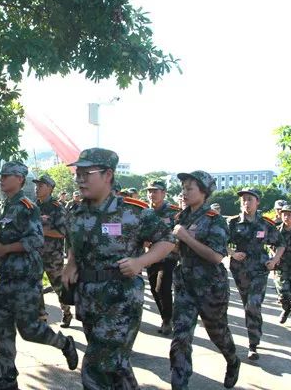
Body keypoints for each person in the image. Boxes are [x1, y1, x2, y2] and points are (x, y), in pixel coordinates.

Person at [62, 148, 175, 390]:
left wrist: (140, 262)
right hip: (88, 299)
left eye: (86, 173)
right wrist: (70, 263)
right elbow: (73, 241)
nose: (80, 178)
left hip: (121, 300)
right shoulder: (77, 212)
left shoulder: (133, 211)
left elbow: (167, 240)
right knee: (116, 366)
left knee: (95, 366)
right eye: (77, 173)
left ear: (107, 175)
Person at [0, 161, 78, 390]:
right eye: (1, 176)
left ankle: (65, 343)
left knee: (29, 330)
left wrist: (5, 249)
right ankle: (8, 379)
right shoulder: (7, 204)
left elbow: (36, 240)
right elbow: (7, 232)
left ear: (19, 179)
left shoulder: (28, 207)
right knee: (1, 327)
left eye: (7, 176)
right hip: (6, 275)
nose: (2, 179)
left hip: (25, 277)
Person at [169, 170, 240, 390]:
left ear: (204, 192)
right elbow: (176, 249)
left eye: (189, 188)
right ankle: (179, 384)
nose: (184, 192)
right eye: (183, 188)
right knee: (180, 339)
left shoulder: (215, 220)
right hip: (184, 286)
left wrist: (185, 237)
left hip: (210, 287)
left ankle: (233, 360)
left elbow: (216, 256)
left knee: (217, 333)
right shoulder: (181, 217)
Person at [228, 188, 286, 360]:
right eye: (243, 199)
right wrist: (232, 253)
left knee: (253, 304)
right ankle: (253, 339)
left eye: (249, 199)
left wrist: (275, 260)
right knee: (248, 304)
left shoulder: (265, 224)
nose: (246, 202)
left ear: (257, 202)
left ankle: (253, 344)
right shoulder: (232, 223)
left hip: (260, 269)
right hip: (240, 269)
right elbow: (220, 242)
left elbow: (281, 243)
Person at [33, 174, 73, 327]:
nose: (37, 188)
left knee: (58, 287)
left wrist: (42, 231)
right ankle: (42, 317)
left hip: (52, 257)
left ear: (49, 188)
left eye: (40, 186)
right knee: (35, 286)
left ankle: (67, 311)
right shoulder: (34, 206)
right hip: (35, 255)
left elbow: (62, 232)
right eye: (37, 185)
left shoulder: (57, 208)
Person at [145, 180, 181, 336]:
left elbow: (181, 233)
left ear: (164, 193)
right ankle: (166, 317)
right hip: (151, 256)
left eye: (156, 191)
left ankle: (167, 321)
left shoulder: (174, 212)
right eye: (150, 191)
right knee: (154, 289)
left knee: (162, 288)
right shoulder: (145, 212)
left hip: (169, 257)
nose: (152, 194)